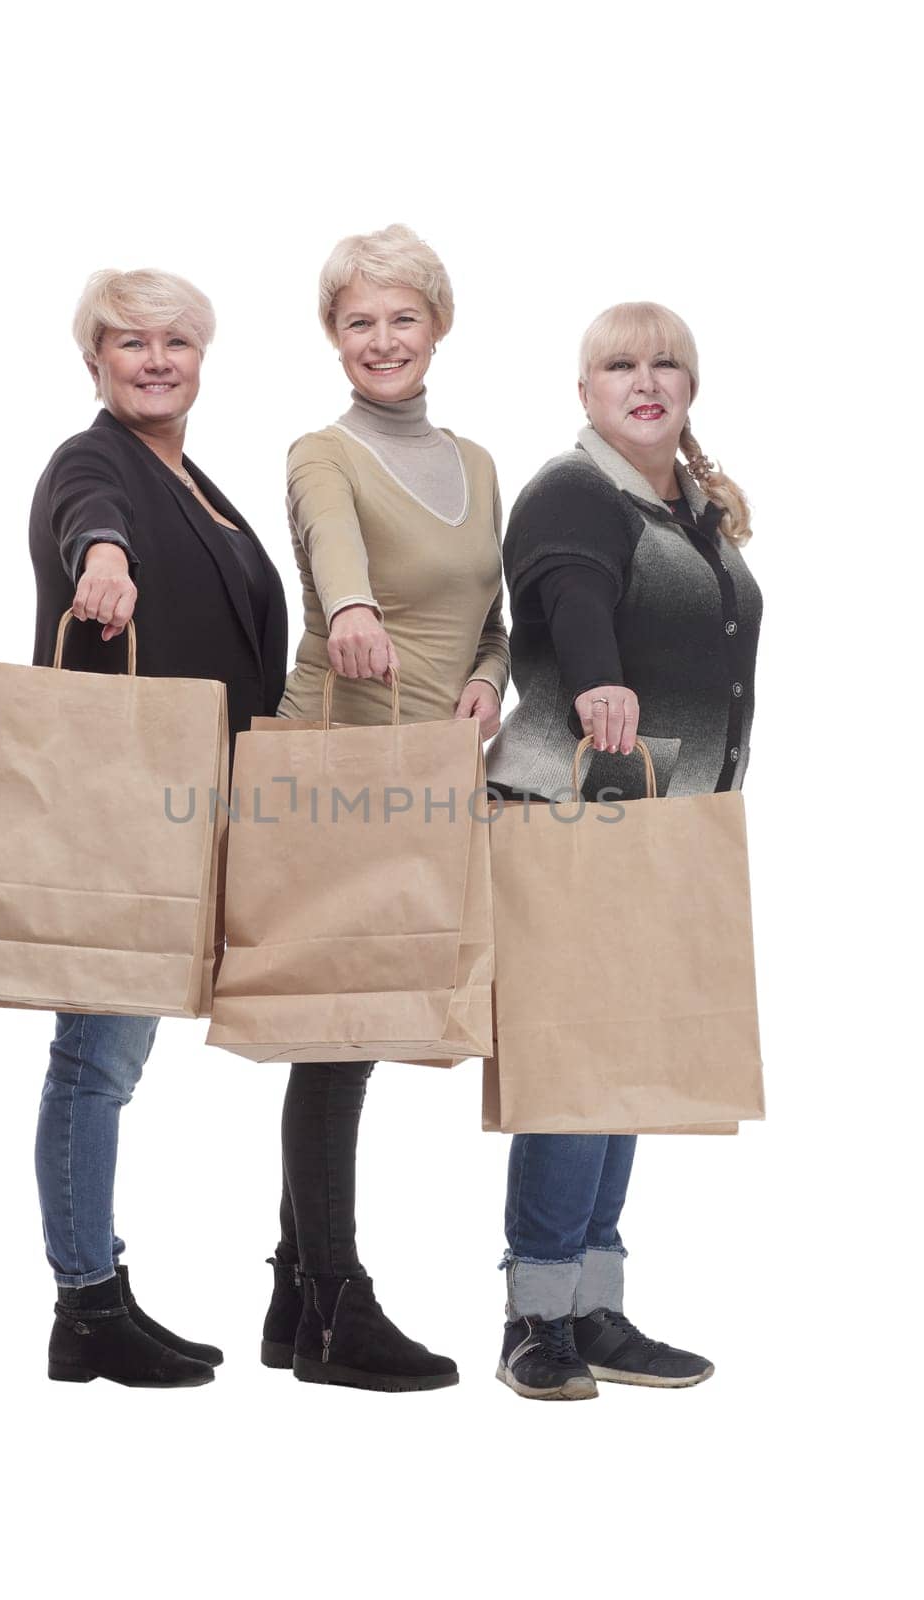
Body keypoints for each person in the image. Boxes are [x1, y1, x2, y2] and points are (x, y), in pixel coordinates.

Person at [485, 301, 762, 1401]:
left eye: (664, 364)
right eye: (617, 363)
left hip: (665, 815)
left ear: (688, 388)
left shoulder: (688, 509)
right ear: (584, 389)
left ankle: (592, 1306)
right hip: (571, 809)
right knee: (574, 1063)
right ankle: (531, 1317)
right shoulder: (573, 491)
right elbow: (569, 590)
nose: (642, 379)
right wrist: (598, 675)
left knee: (627, 1065)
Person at [261, 224, 509, 1391]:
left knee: (351, 1023)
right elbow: (332, 549)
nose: (380, 340)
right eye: (356, 321)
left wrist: (484, 680)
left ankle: (286, 1294)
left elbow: (493, 618)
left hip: (431, 764)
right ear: (333, 337)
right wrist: (348, 608)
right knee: (339, 1030)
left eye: (399, 318)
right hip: (342, 764)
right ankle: (334, 1306)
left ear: (435, 325)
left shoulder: (477, 462)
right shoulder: (323, 451)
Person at [30, 268, 288, 1386]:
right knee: (95, 1058)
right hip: (123, 807)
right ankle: (87, 1303)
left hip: (203, 803)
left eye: (175, 340)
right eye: (128, 341)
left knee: (112, 1054)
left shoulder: (200, 482)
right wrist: (103, 563)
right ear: (94, 359)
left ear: (201, 358)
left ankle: (95, 1299)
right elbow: (95, 523)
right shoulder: (96, 463)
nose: (153, 359)